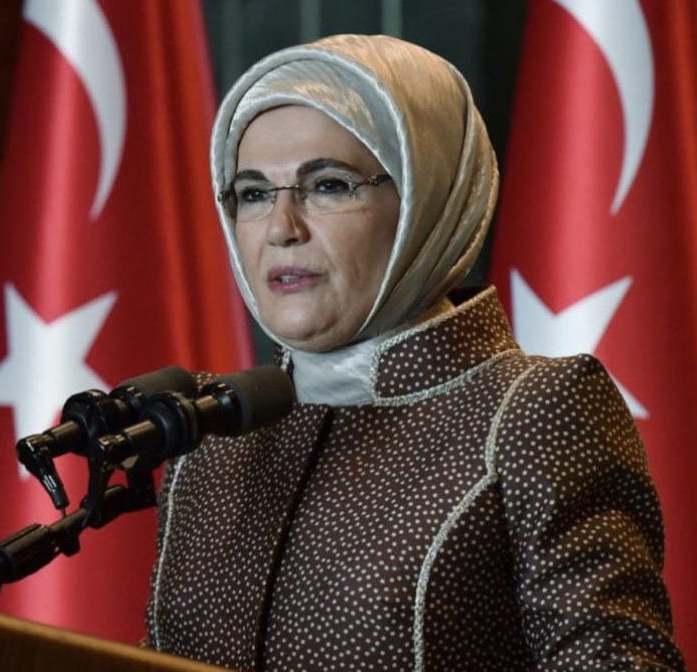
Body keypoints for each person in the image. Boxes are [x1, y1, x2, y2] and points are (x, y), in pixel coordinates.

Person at [145, 34, 684, 671]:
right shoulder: (211, 439)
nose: (282, 228)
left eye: (328, 185)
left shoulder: (530, 412)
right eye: (254, 193)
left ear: (426, 197)